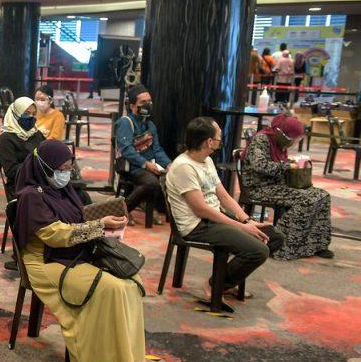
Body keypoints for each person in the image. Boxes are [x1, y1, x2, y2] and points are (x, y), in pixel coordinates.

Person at [13, 139, 147, 362]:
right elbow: (55, 236)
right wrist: (99, 226)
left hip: (72, 253)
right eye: (61, 169)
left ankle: (125, 354)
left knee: (131, 282)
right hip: (45, 261)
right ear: (45, 167)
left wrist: (108, 218)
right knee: (112, 288)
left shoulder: (62, 189)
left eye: (68, 168)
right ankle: (112, 359)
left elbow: (78, 216)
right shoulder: (31, 196)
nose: (65, 174)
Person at [166, 117, 285, 301]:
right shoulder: (184, 167)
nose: (222, 140)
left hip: (214, 218)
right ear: (209, 142)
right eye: (219, 137)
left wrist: (247, 220)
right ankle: (215, 284)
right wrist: (241, 227)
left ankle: (225, 281)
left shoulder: (206, 161)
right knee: (259, 250)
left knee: (274, 237)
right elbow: (201, 210)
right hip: (197, 226)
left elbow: (224, 196)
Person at [242, 114, 332, 259]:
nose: (294, 142)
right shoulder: (262, 140)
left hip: (278, 185)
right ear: (282, 133)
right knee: (308, 199)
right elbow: (259, 165)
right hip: (260, 188)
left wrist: (289, 163)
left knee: (323, 196)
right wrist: (287, 165)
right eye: (293, 139)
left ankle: (316, 244)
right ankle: (280, 246)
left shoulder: (278, 142)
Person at [114, 84, 171, 222]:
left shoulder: (150, 125)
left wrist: (169, 165)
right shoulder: (125, 122)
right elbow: (127, 150)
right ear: (133, 106)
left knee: (175, 176)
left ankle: (151, 207)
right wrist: (145, 164)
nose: (148, 105)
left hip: (150, 166)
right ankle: (122, 210)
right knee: (152, 183)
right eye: (143, 102)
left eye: (149, 101)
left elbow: (157, 150)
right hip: (133, 167)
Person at [0, 96, 45, 196]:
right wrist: (37, 168)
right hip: (21, 185)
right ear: (15, 114)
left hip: (43, 179)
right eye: (26, 114)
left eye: (33, 114)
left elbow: (48, 153)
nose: (31, 117)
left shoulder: (36, 134)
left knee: (78, 193)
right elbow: (11, 171)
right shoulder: (5, 139)